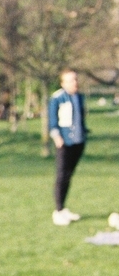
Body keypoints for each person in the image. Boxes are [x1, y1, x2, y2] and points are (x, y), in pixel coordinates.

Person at [49, 69, 88, 226]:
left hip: (78, 142)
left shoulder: (79, 97)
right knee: (62, 175)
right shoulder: (57, 98)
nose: (75, 83)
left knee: (69, 175)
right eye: (71, 80)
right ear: (63, 83)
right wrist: (57, 137)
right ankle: (58, 210)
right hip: (64, 143)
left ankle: (64, 208)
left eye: (76, 79)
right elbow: (52, 121)